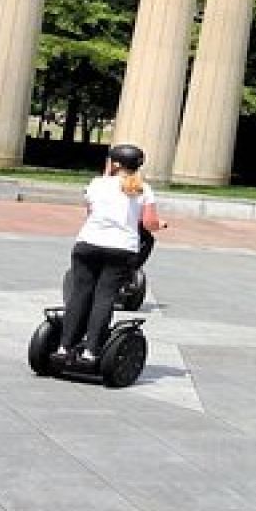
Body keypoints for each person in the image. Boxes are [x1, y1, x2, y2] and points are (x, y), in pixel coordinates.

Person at [57, 144, 167, 371]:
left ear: (114, 163)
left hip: (88, 244)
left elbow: (91, 213)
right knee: (104, 297)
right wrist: (161, 224)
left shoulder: (96, 184)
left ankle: (64, 347)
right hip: (121, 249)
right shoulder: (143, 189)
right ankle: (90, 351)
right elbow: (149, 223)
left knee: (80, 294)